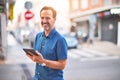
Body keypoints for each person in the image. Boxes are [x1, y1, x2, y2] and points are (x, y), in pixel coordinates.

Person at [26, 6, 68, 80]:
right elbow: (37, 59)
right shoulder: (38, 36)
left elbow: (62, 65)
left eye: (48, 18)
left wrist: (43, 61)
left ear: (54, 19)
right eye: (42, 18)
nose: (44, 21)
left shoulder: (60, 39)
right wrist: (33, 57)